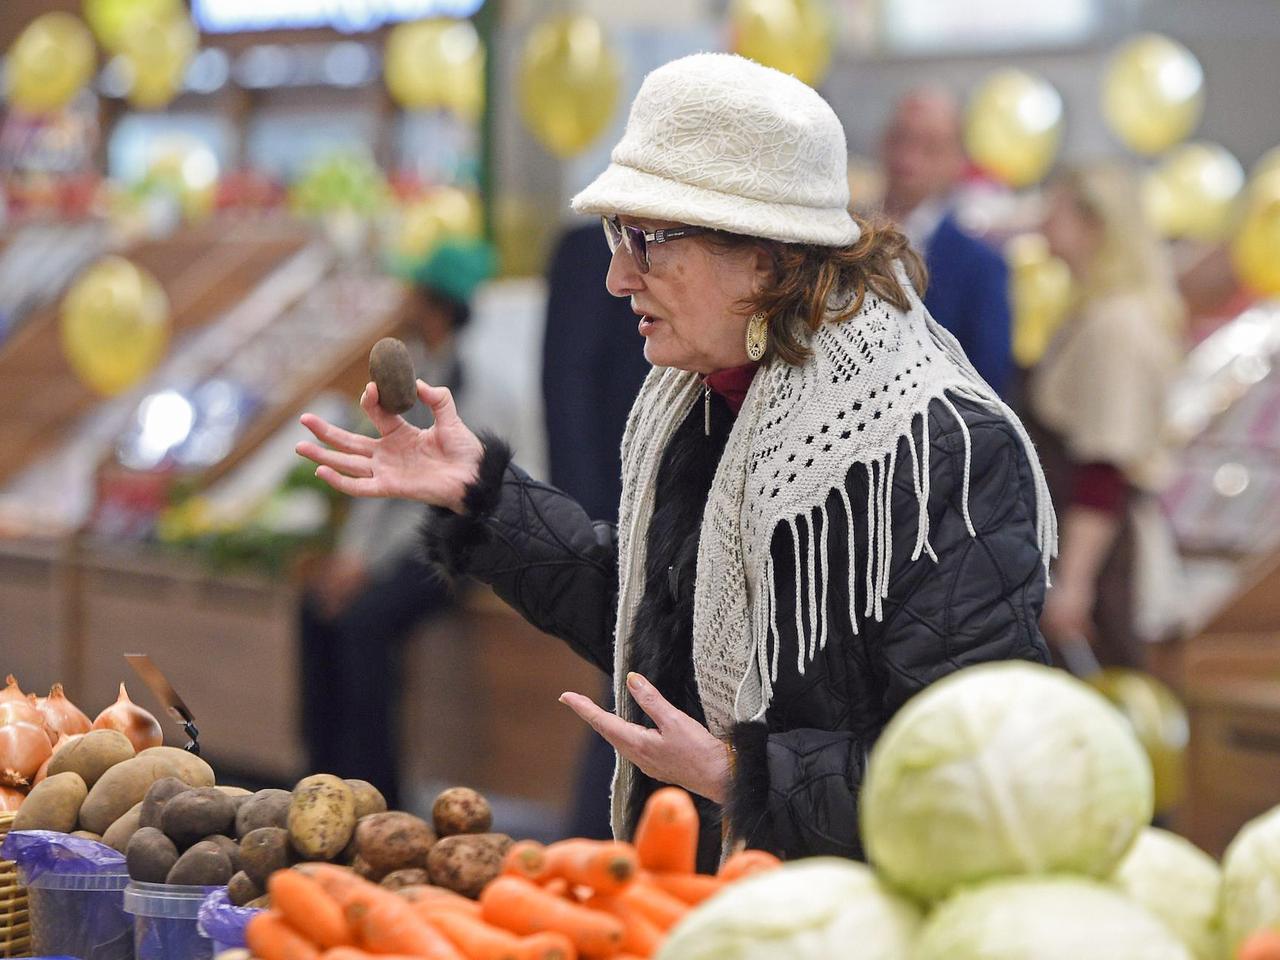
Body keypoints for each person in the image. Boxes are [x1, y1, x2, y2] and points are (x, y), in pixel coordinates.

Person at [297, 54, 1055, 866]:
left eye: (651, 241)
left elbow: (962, 776)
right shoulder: (712, 400)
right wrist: (484, 497)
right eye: (619, 237)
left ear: (767, 258)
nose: (620, 277)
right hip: (713, 881)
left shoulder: (942, 448)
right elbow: (657, 629)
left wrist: (740, 776)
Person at [299, 238, 494, 808]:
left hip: (452, 545)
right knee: (314, 609)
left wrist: (368, 569)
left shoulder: (473, 377)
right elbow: (385, 475)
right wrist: (350, 558)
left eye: (413, 289)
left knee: (363, 623)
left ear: (433, 302)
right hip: (399, 546)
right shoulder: (418, 364)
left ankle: (372, 791)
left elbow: (441, 495)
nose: (402, 298)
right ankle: (320, 773)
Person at [1030, 163, 1184, 668]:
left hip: (1104, 557)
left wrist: (1074, 582)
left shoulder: (1116, 324)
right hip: (1094, 542)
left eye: (1055, 211)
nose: (1042, 223)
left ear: (1094, 225)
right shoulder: (1100, 313)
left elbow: (1104, 466)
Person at [542, 222, 653, 840]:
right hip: (621, 515)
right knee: (629, 691)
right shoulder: (586, 249)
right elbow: (567, 392)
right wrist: (587, 530)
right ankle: (596, 850)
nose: (626, 280)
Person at [880, 88, 1014, 396]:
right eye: (900, 138)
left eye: (930, 147)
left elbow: (986, 383)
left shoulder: (980, 265)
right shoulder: (842, 237)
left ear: (956, 160)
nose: (908, 158)